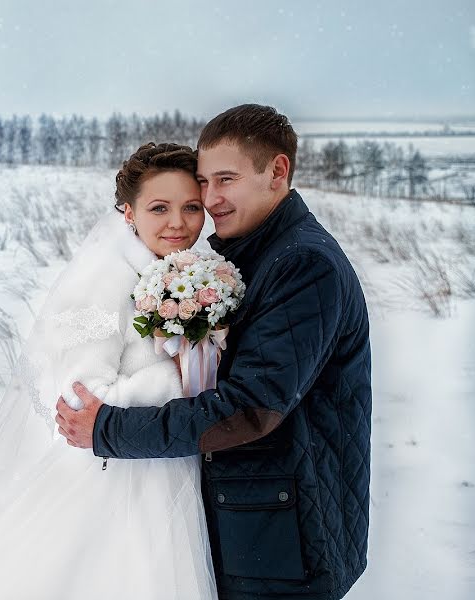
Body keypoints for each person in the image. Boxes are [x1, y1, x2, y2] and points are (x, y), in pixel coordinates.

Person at [57, 104, 372, 600]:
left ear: (277, 171)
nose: (211, 199)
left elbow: (248, 406)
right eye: (204, 182)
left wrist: (110, 428)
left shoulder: (303, 264)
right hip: (260, 522)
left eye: (225, 179)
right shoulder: (245, 254)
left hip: (287, 537)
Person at [0, 143, 218, 600]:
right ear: (128, 213)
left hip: (166, 461)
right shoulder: (102, 280)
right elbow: (80, 397)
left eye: (191, 207)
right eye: (159, 207)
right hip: (116, 481)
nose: (178, 222)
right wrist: (181, 377)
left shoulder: (184, 276)